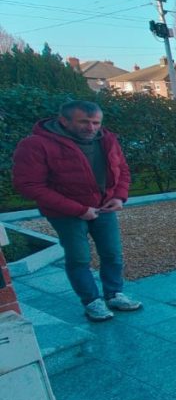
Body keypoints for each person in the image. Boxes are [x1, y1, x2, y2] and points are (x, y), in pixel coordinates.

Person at [12, 100, 142, 322]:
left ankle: (114, 294)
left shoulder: (107, 139)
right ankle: (91, 301)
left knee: (112, 254)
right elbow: (29, 185)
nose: (91, 128)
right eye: (84, 122)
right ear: (64, 121)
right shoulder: (36, 145)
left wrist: (119, 196)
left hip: (104, 207)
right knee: (79, 258)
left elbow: (122, 170)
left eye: (96, 123)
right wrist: (79, 210)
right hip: (65, 213)